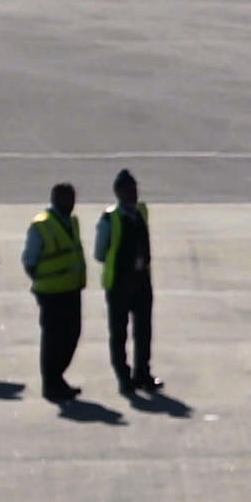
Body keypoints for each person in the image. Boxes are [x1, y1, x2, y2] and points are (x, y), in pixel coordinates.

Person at [22, 177, 91, 404]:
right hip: (51, 293)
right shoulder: (42, 224)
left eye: (72, 198)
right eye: (66, 198)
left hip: (71, 290)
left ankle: (57, 377)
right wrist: (44, 280)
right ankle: (51, 383)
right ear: (54, 199)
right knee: (53, 339)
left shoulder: (72, 222)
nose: (70, 203)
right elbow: (29, 260)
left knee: (72, 335)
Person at [93, 170, 160, 396]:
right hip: (119, 283)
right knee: (119, 333)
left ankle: (142, 372)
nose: (133, 193)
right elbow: (100, 252)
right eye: (127, 189)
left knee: (143, 330)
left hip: (142, 281)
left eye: (134, 188)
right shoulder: (109, 218)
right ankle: (123, 376)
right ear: (118, 192)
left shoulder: (141, 211)